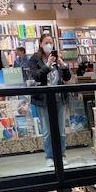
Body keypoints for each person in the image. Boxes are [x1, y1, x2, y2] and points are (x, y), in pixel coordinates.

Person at [29, 33, 72, 168]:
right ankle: (49, 157)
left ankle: (62, 155)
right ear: (41, 44)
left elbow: (67, 77)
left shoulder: (57, 57)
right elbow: (35, 76)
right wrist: (47, 65)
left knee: (61, 130)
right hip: (43, 99)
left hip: (59, 98)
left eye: (51, 42)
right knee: (47, 131)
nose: (49, 45)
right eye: (46, 42)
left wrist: (63, 65)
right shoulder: (35, 59)